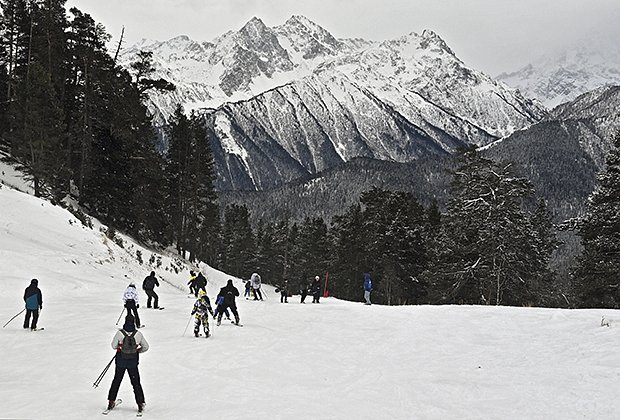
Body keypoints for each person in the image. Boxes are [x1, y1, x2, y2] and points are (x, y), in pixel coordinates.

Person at [107, 314, 149, 414]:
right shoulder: (138, 334)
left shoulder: (119, 333)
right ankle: (140, 403)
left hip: (120, 361)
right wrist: (138, 351)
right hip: (133, 362)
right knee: (136, 383)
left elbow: (113, 346)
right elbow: (146, 347)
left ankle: (111, 401)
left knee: (116, 380)